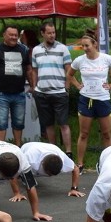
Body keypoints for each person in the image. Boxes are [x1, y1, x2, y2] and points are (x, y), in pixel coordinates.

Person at [68, 32, 111, 178]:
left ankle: (110, 164)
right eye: (83, 46)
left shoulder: (106, 59)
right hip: (86, 99)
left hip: (103, 99)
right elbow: (69, 74)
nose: (85, 48)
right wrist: (77, 85)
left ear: (95, 45)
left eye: (87, 45)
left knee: (106, 134)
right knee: (84, 133)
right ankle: (80, 164)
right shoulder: (80, 60)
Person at [0, 25, 33, 147]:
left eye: (16, 35)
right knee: (0, 123)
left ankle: (18, 148)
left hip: (19, 93)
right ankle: (1, 149)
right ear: (4, 35)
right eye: (11, 35)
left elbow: (28, 69)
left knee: (18, 123)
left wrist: (33, 85)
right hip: (1, 93)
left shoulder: (24, 49)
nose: (13, 37)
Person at [31, 21, 73, 157]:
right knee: (48, 124)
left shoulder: (63, 49)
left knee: (63, 124)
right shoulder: (36, 50)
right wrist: (34, 87)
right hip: (42, 92)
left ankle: (68, 152)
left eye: (53, 32)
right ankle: (54, 152)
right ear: (42, 33)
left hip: (59, 91)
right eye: (49, 33)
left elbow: (69, 70)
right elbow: (34, 70)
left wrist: (67, 87)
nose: (52, 35)